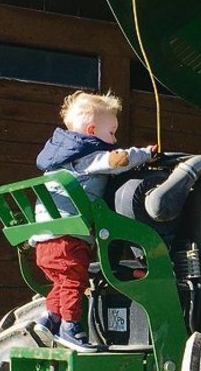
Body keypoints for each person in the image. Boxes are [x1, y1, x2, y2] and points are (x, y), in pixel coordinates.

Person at [33, 90, 155, 351]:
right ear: (91, 130)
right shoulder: (87, 156)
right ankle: (70, 329)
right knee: (73, 283)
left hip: (45, 238)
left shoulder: (57, 162)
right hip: (67, 237)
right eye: (111, 133)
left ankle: (48, 319)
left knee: (63, 281)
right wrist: (145, 153)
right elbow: (118, 160)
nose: (114, 139)